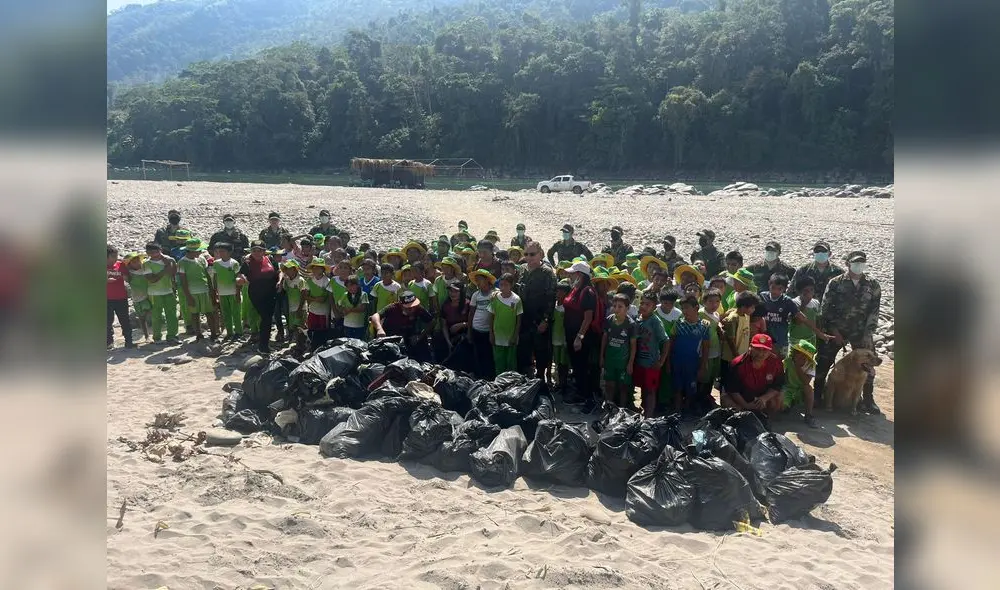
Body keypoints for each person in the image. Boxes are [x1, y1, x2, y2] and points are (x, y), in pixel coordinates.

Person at [815, 250, 882, 414]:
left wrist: (868, 334)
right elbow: (825, 309)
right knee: (823, 362)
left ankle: (867, 399)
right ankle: (817, 396)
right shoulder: (835, 283)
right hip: (836, 330)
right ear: (848, 263)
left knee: (869, 364)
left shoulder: (873, 285)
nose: (858, 266)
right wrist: (833, 330)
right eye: (855, 262)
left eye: (861, 262)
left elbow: (874, 312)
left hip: (861, 332)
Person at [760, 273, 829, 358]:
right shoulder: (762, 297)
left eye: (779, 289)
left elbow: (802, 318)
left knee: (780, 365)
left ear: (785, 289)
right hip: (763, 339)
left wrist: (820, 334)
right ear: (769, 283)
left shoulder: (787, 301)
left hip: (780, 341)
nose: (775, 291)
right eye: (773, 287)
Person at [562, 261, 599, 410]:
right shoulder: (575, 289)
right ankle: (580, 394)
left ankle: (588, 399)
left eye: (573, 273)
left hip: (582, 337)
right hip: (571, 335)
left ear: (580, 275)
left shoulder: (587, 292)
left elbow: (588, 318)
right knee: (577, 367)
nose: (570, 275)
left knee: (584, 367)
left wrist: (579, 337)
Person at [667, 294, 711, 415]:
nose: (684, 311)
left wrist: (703, 366)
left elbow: (706, 347)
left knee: (691, 388)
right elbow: (670, 344)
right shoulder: (679, 324)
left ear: (696, 308)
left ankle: (687, 410)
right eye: (683, 308)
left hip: (693, 363)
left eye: (687, 308)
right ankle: (677, 412)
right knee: (677, 388)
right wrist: (668, 363)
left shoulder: (704, 326)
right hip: (677, 361)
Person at [723, 333, 785, 416]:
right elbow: (733, 390)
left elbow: (777, 385)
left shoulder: (776, 363)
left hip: (762, 396)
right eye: (757, 349)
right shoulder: (737, 364)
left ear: (770, 351)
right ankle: (743, 415)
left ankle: (765, 417)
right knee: (726, 400)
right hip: (743, 397)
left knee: (779, 398)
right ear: (750, 347)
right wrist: (746, 405)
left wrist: (764, 398)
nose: (760, 353)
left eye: (764, 350)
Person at [634, 291, 670, 417]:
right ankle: (645, 411)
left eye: (647, 304)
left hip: (652, 363)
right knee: (643, 388)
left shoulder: (655, 321)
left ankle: (648, 417)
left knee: (651, 390)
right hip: (639, 362)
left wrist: (661, 362)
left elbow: (666, 341)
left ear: (654, 307)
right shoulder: (638, 319)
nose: (643, 306)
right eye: (642, 303)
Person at [241, 240, 280, 354]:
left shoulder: (270, 259)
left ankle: (264, 343)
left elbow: (278, 271)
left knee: (267, 318)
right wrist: (242, 279)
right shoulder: (247, 262)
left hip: (271, 292)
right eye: (254, 250)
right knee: (266, 318)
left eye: (259, 250)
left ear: (264, 251)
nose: (257, 252)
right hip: (256, 293)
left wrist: (280, 281)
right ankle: (263, 346)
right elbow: (241, 274)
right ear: (251, 251)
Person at [371, 291, 434, 362]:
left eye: (413, 306)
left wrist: (419, 336)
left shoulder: (418, 308)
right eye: (409, 307)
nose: (412, 309)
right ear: (401, 305)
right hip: (392, 339)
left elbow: (431, 321)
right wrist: (379, 329)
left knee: (422, 349)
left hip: (409, 338)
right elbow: (375, 316)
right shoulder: (392, 308)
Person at [601, 293, 638, 409]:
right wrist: (601, 356)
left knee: (623, 387)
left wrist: (630, 363)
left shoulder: (631, 324)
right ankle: (609, 407)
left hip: (623, 361)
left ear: (627, 308)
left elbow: (633, 345)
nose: (616, 309)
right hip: (610, 359)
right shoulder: (609, 320)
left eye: (620, 306)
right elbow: (604, 339)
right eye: (615, 306)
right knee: (609, 385)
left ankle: (622, 410)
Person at [177, 239, 218, 341]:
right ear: (191, 251)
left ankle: (214, 334)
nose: (200, 252)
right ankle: (199, 335)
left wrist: (212, 290)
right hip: (192, 292)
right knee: (195, 314)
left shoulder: (201, 259)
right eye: (198, 250)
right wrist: (188, 296)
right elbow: (183, 281)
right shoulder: (182, 262)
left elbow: (207, 275)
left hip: (204, 290)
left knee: (210, 312)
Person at [720, 291, 760, 394]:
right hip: (731, 357)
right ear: (743, 307)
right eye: (752, 307)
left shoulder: (746, 316)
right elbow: (730, 339)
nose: (754, 310)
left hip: (741, 355)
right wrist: (736, 357)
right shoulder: (733, 318)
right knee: (726, 380)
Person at [143, 242, 179, 343]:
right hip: (154, 294)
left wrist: (169, 263)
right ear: (147, 253)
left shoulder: (169, 260)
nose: (154, 255)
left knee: (172, 315)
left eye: (156, 252)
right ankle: (157, 337)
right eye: (151, 253)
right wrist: (165, 269)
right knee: (156, 316)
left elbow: (173, 274)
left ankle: (172, 336)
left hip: (168, 291)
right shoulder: (146, 264)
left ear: (160, 250)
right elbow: (152, 279)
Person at [489, 273, 523, 376]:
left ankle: (511, 385)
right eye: (501, 285)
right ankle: (499, 383)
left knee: (511, 363)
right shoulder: (495, 298)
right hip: (498, 335)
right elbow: (491, 317)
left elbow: (519, 320)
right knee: (499, 362)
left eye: (506, 285)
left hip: (510, 336)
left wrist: (515, 335)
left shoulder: (516, 299)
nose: (503, 287)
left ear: (511, 285)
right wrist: (491, 333)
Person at [210, 243, 244, 341]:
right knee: (225, 313)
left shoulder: (234, 263)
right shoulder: (216, 263)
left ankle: (238, 332)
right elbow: (215, 278)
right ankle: (229, 332)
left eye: (223, 251)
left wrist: (238, 293)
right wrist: (215, 291)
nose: (220, 253)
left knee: (236, 313)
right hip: (222, 293)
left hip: (233, 292)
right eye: (219, 251)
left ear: (229, 252)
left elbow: (238, 278)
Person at [468, 270, 498, 378]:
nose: (477, 282)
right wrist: (469, 331)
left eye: (479, 280)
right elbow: (471, 313)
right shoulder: (476, 295)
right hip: (477, 329)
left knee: (490, 356)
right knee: (478, 356)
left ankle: (490, 377)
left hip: (490, 331)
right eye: (476, 280)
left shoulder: (495, 294)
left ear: (486, 280)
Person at [784, 339, 820, 428]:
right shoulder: (788, 361)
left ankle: (808, 415)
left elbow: (806, 381)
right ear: (795, 353)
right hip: (788, 388)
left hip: (801, 390)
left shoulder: (811, 365)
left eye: (805, 355)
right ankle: (788, 404)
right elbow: (783, 377)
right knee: (781, 405)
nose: (802, 356)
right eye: (799, 353)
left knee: (809, 389)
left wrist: (797, 367)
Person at [436, 280, 470, 369]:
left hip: (464, 333)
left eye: (456, 291)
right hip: (449, 334)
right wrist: (448, 341)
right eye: (451, 291)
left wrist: (461, 325)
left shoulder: (468, 304)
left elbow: (473, 322)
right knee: (438, 339)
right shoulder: (446, 305)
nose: (452, 293)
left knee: (462, 343)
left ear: (461, 292)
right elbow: (443, 325)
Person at [698, 288, 724, 401]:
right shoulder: (700, 314)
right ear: (704, 302)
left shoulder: (717, 314)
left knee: (712, 375)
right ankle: (699, 399)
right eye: (711, 301)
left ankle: (707, 396)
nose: (714, 304)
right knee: (703, 375)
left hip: (715, 349)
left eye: (717, 301)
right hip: (704, 350)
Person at [107, 245, 134, 349]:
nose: (116, 258)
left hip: (121, 298)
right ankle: (109, 342)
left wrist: (126, 276)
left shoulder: (120, 265)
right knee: (107, 321)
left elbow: (128, 279)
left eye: (116, 255)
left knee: (125, 320)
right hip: (106, 299)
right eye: (113, 256)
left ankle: (129, 341)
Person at [303, 258, 332, 350]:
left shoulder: (327, 281)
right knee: (311, 329)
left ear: (323, 269)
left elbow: (323, 299)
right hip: (312, 310)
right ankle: (313, 347)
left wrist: (311, 298)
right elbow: (305, 296)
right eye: (314, 268)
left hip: (323, 312)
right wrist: (315, 299)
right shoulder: (310, 280)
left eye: (318, 268)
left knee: (322, 332)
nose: (316, 270)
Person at [123, 252, 151, 342]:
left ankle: (150, 334)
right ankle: (147, 336)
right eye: (134, 262)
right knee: (142, 318)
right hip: (136, 298)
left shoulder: (145, 269)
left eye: (138, 261)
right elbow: (125, 278)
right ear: (130, 264)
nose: (137, 263)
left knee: (148, 310)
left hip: (147, 296)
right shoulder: (129, 274)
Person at [550, 279, 571, 392]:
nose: (558, 294)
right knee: (557, 362)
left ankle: (563, 384)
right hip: (555, 339)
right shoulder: (553, 307)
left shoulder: (567, 309)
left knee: (564, 364)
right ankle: (559, 383)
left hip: (563, 340)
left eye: (561, 292)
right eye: (557, 291)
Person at [279, 260, 307, 340]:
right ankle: (298, 344)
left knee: (300, 327)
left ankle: (302, 344)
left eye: (289, 268)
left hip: (300, 308)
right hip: (291, 308)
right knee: (294, 327)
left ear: (295, 269)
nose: (287, 271)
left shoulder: (300, 280)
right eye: (286, 269)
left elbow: (304, 294)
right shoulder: (287, 281)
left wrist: (300, 309)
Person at [789, 276, 821, 347]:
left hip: (811, 339)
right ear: (799, 292)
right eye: (806, 291)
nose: (810, 293)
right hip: (796, 339)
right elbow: (797, 322)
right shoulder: (794, 303)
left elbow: (818, 321)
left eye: (812, 290)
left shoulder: (816, 303)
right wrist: (804, 304)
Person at [338, 275, 369, 340]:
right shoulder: (345, 295)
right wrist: (343, 311)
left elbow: (363, 308)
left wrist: (350, 310)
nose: (349, 288)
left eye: (352, 285)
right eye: (347, 286)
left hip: (359, 325)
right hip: (347, 324)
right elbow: (339, 305)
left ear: (357, 285)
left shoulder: (363, 294)